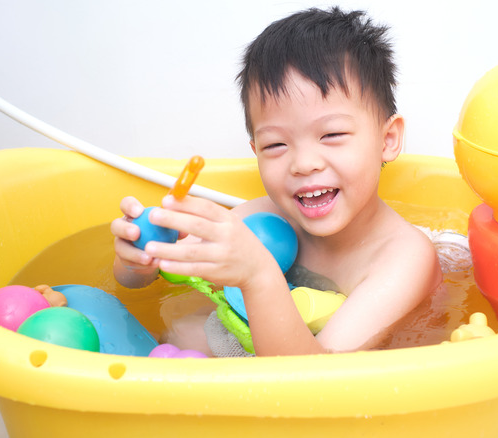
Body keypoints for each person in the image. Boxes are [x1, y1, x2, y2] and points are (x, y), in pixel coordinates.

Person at [110, 7, 442, 356]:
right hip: (272, 368)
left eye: (331, 134)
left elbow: (315, 381)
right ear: (256, 151)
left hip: (339, 391)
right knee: (187, 332)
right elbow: (154, 275)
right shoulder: (260, 217)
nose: (303, 163)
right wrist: (138, 258)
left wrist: (259, 276)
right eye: (276, 145)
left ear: (387, 140)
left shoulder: (403, 258)